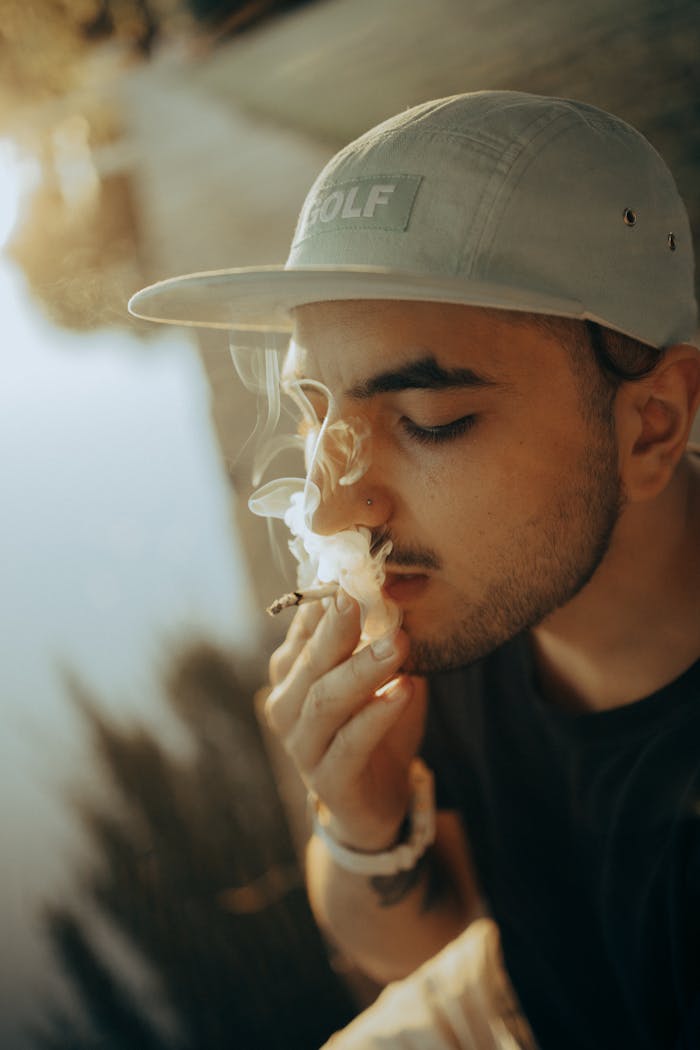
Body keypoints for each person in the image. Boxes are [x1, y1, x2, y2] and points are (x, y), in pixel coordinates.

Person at [129, 92, 700, 1049]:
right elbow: (408, 947)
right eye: (316, 410)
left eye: (429, 422)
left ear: (653, 423)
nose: (328, 509)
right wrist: (364, 821)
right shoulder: (471, 603)